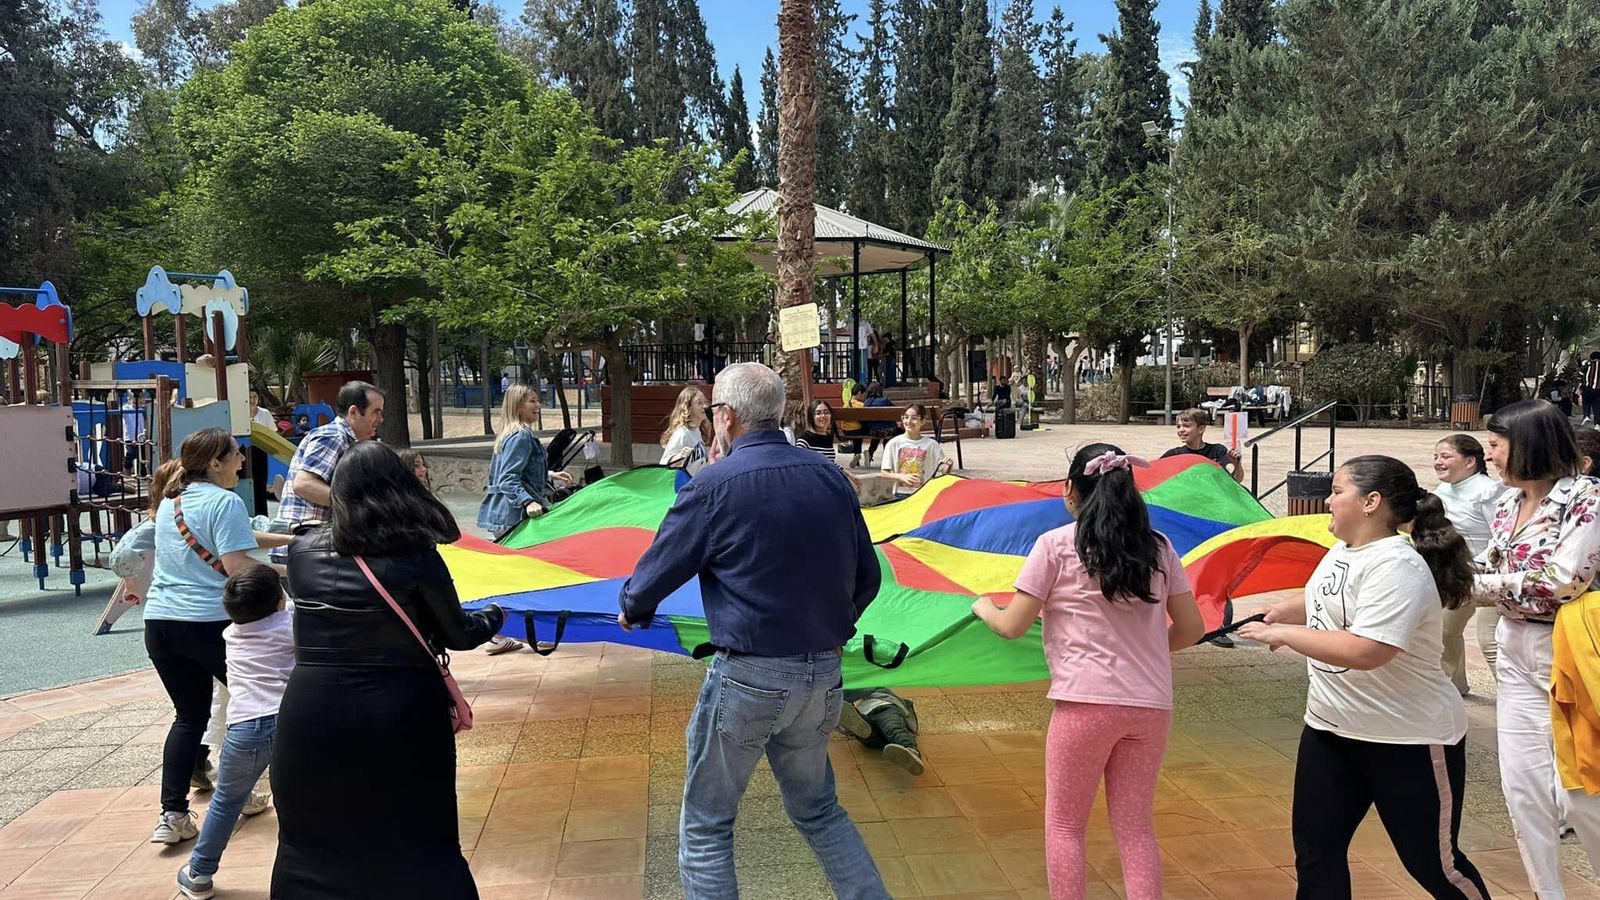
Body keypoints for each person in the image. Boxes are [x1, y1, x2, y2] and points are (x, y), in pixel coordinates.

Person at [618, 362, 888, 900]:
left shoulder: (713, 486)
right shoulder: (830, 478)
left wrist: (634, 606)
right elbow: (868, 576)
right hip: (824, 674)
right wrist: (829, 626)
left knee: (707, 824)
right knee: (820, 811)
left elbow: (654, 572)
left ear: (727, 417)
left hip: (749, 677)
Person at [1239, 456, 1490, 899]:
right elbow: (1328, 592)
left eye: (1337, 492)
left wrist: (1284, 633)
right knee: (1316, 854)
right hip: (1331, 730)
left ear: (1371, 502)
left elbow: (1368, 650)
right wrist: (1286, 611)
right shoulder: (1346, 549)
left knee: (1434, 865)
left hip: (1408, 739)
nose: (1328, 500)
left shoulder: (1398, 567)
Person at [972, 444, 1205, 899]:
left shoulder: (1056, 546)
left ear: (1069, 491)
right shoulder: (1159, 548)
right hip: (1151, 708)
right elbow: (1192, 629)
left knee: (1064, 826)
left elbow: (1013, 625)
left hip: (1085, 707)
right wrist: (1147, 655)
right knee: (1136, 829)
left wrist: (983, 607)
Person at [273, 442, 504, 899]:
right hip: (397, 710)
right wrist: (496, 614)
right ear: (397, 488)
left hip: (309, 710)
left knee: (314, 836)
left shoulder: (301, 550)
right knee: (417, 834)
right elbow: (458, 633)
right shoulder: (414, 555)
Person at [1472, 399, 1600, 897]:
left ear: (1527, 446)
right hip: (1514, 649)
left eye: (1496, 446)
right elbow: (1490, 562)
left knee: (1581, 793)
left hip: (1567, 651)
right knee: (1522, 790)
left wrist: (1474, 586)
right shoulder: (1507, 501)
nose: (1490, 457)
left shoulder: (1584, 498)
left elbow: (1564, 581)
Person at [143, 429, 291, 844]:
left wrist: (292, 541)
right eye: (236, 454)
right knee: (263, 707)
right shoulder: (225, 501)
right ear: (215, 463)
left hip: (160, 624)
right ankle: (259, 791)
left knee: (188, 717)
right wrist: (295, 566)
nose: (242, 460)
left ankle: (172, 816)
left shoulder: (172, 502)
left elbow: (235, 538)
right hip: (208, 625)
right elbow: (236, 565)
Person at [177, 563, 292, 900]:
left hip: (245, 730)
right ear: (277, 601)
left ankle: (198, 873)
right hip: (291, 723)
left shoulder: (231, 634)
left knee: (226, 802)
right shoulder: (291, 624)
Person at [273, 380, 384, 562]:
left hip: (309, 546)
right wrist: (358, 507)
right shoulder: (333, 436)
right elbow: (303, 484)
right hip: (302, 548)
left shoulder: (345, 440)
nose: (381, 419)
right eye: (376, 412)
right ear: (354, 412)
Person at [1432, 435, 1506, 695]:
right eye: (1436, 457)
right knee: (1445, 628)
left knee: (1489, 640)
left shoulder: (1488, 491)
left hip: (1494, 575)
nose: (1439, 462)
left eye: (1446, 456)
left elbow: (1503, 535)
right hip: (1461, 574)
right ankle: (1455, 685)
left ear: (1470, 462)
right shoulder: (1443, 490)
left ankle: (1515, 698)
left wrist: (1483, 562)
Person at [837, 689, 923, 775]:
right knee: (867, 733)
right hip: (864, 716)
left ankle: (912, 752)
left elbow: (854, 692)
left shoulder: (874, 685)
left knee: (893, 728)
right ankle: (863, 729)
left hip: (883, 707)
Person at [1160, 408, 1244, 484]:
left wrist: (1236, 464)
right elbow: (1154, 473)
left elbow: (1237, 480)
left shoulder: (1217, 451)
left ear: (1201, 429)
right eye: (1178, 426)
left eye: (1186, 426)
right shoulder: (1174, 454)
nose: (1181, 430)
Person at [880, 404, 946, 497]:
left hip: (924, 493)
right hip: (901, 493)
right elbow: (884, 473)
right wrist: (901, 477)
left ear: (923, 421)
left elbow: (943, 470)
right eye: (906, 417)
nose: (909, 421)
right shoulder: (893, 443)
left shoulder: (932, 445)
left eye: (914, 418)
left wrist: (948, 465)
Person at [660, 386, 711, 475]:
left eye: (705, 402)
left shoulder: (697, 432)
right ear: (688, 407)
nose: (704, 406)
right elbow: (663, 464)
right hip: (684, 487)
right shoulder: (682, 433)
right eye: (699, 403)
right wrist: (679, 456)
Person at [862, 381, 898, 467]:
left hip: (872, 431)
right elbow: (896, 411)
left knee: (878, 433)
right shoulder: (885, 401)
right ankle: (887, 456)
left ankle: (870, 453)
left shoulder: (866, 402)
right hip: (885, 430)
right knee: (891, 432)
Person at [841, 382, 868, 467]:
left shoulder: (845, 404)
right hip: (857, 430)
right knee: (860, 430)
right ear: (859, 393)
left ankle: (857, 456)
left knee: (857, 431)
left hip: (845, 431)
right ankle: (865, 453)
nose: (864, 398)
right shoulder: (862, 405)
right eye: (864, 395)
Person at [1583, 352, 1600, 422]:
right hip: (1598, 389)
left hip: (1588, 388)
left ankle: (1586, 416)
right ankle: (1597, 424)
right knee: (1597, 406)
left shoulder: (1587, 364)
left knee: (1586, 402)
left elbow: (1580, 373)